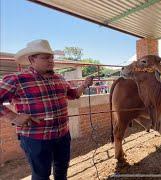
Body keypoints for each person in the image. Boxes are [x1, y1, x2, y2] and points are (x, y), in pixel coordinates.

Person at [0, 39, 93, 180]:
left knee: (62, 170)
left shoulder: (60, 78)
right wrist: (13, 117)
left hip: (62, 134)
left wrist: (84, 85)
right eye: (45, 57)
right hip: (36, 138)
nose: (50, 61)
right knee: (41, 176)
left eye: (51, 57)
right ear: (32, 59)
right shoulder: (17, 79)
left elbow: (73, 94)